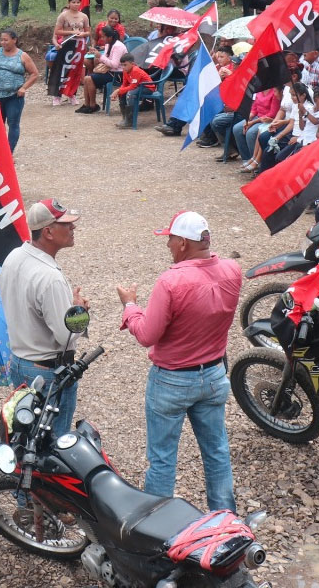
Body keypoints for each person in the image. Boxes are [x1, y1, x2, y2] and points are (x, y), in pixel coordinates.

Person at [117, 211, 241, 511]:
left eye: (170, 239)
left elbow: (147, 334)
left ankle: (157, 525)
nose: (168, 245)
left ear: (183, 243)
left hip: (172, 379)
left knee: (162, 459)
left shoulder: (171, 281)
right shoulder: (232, 270)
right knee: (217, 451)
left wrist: (130, 306)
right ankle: (226, 518)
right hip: (212, 375)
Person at [0, 199, 85, 437]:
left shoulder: (14, 257)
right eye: (66, 224)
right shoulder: (50, 278)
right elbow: (66, 338)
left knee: (25, 435)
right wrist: (79, 311)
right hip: (47, 371)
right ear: (48, 231)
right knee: (51, 445)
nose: (73, 228)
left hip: (19, 362)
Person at [0, 29, 38, 151]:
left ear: (14, 40)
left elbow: (34, 74)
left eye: (6, 40)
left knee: (13, 123)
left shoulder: (22, 56)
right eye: (1, 40)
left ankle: (8, 152)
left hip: (14, 97)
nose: (3, 42)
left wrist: (23, 87)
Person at [77, 26, 127, 113]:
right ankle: (87, 104)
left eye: (103, 36)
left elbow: (114, 65)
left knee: (89, 78)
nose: (102, 38)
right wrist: (96, 54)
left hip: (118, 74)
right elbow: (106, 60)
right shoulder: (108, 45)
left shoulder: (118, 46)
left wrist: (100, 56)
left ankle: (92, 105)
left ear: (110, 37)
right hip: (110, 71)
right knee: (87, 78)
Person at [114, 53, 155, 128]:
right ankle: (125, 119)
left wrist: (118, 90)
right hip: (138, 87)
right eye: (122, 65)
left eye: (125, 65)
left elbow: (132, 87)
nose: (123, 67)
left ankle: (130, 121)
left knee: (130, 94)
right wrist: (120, 91)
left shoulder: (136, 70)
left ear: (132, 64)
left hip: (147, 88)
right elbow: (124, 84)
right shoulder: (125, 71)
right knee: (122, 93)